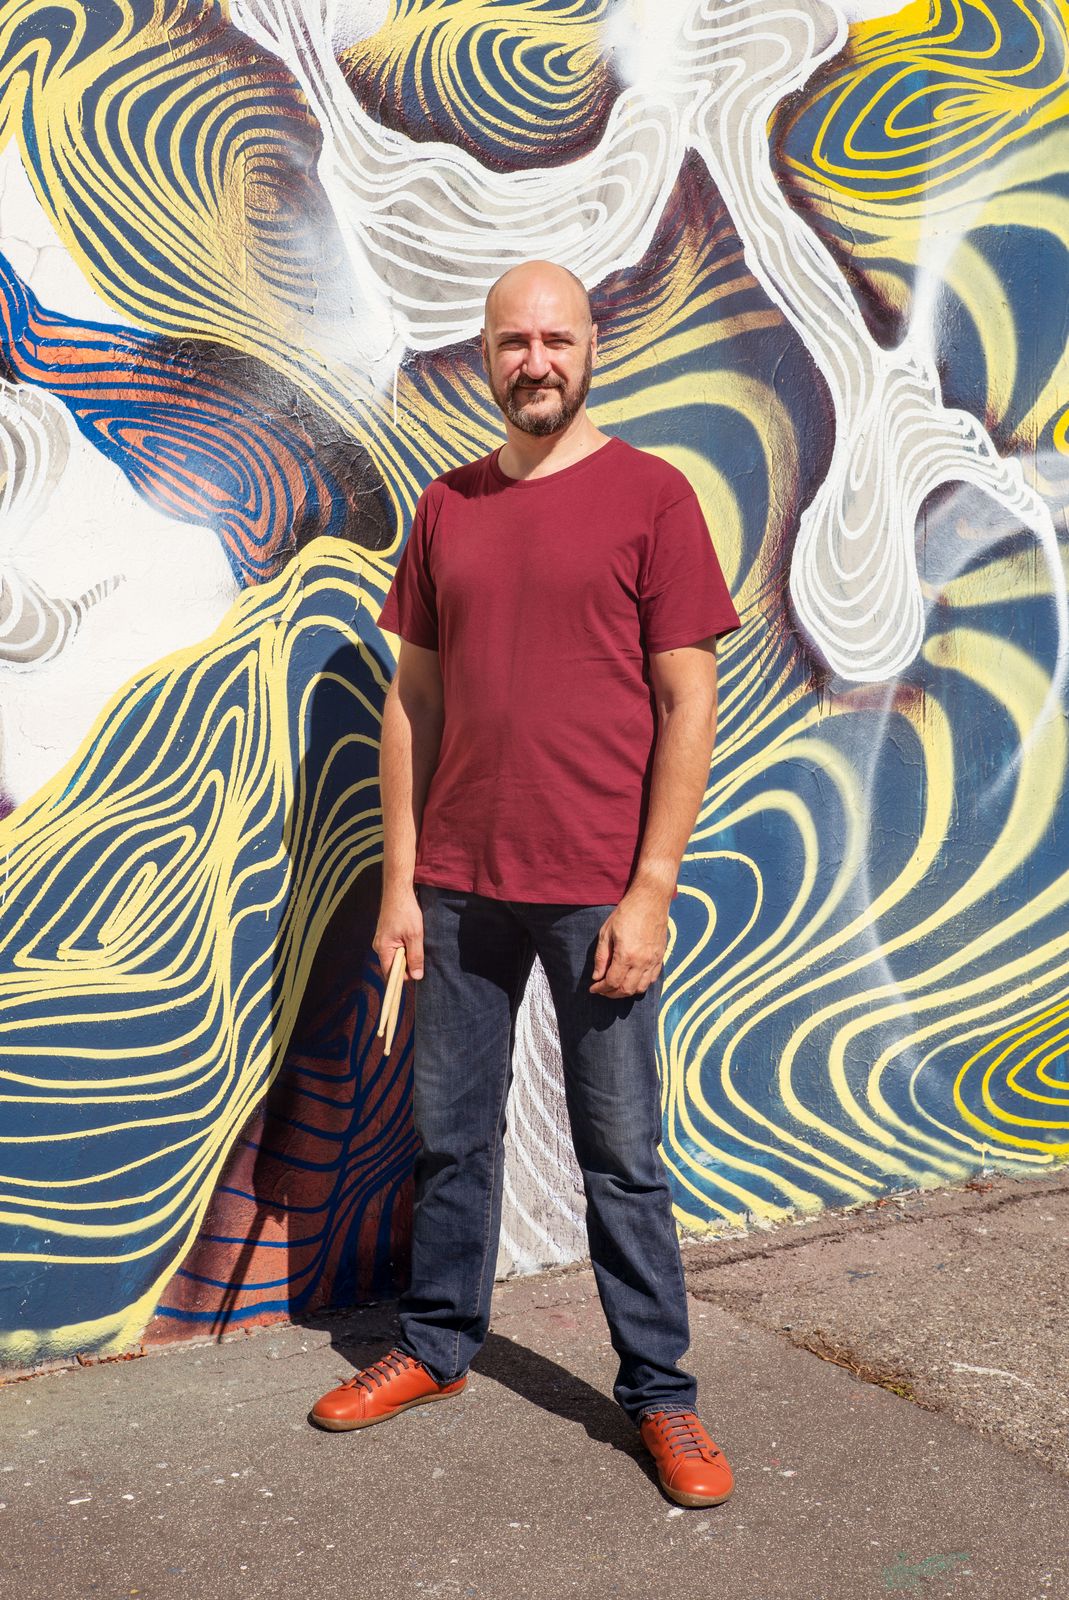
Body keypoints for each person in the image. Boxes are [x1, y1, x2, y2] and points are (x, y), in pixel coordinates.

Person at [310, 259, 742, 1509]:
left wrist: (651, 888)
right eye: (514, 341)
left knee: (620, 1152)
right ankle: (437, 1344)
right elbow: (414, 699)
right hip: (457, 882)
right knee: (451, 1135)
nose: (535, 361)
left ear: (590, 347)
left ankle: (659, 1392)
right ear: (487, 354)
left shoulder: (652, 496)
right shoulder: (447, 507)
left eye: (556, 339)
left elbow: (688, 702)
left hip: (597, 886)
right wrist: (401, 882)